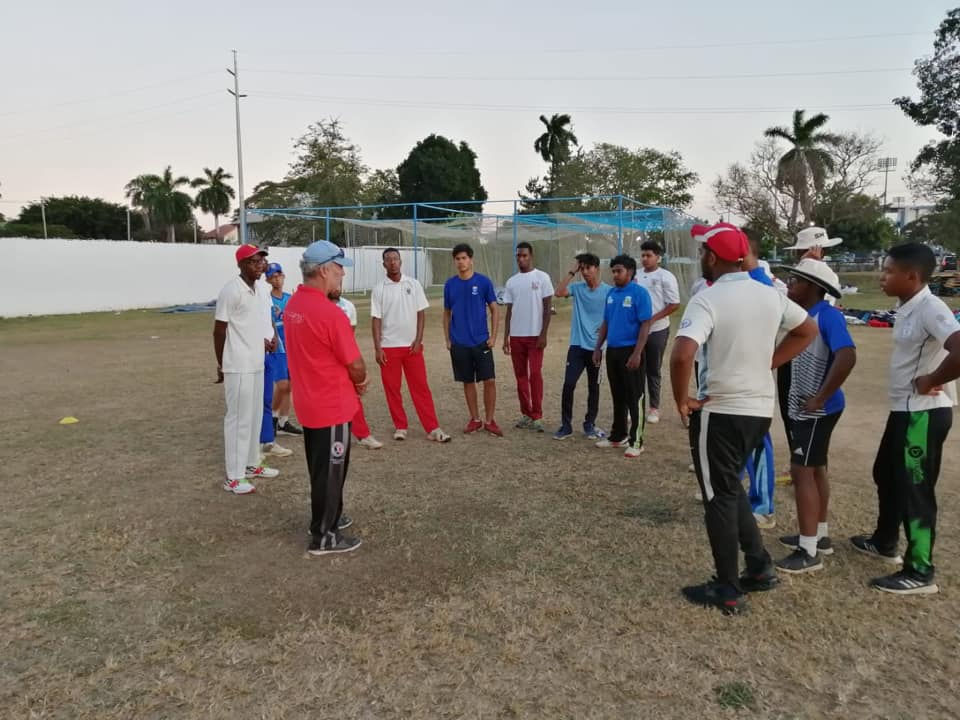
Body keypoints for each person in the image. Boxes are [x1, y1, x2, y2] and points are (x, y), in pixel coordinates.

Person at [670, 222, 816, 614]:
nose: (701, 258)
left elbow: (682, 353)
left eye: (703, 252)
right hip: (758, 411)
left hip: (720, 410)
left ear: (712, 257)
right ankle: (760, 567)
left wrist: (681, 399)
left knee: (718, 497)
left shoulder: (708, 298)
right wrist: (770, 361)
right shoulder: (769, 295)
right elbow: (808, 329)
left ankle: (728, 588)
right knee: (731, 487)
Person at [850, 243, 960, 595]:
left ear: (911, 276)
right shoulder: (908, 306)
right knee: (886, 473)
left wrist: (933, 379)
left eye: (889, 271)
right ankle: (885, 541)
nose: (882, 277)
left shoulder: (931, 307)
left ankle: (920, 571)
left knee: (916, 490)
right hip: (904, 411)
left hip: (923, 416)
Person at [284, 240, 367, 555]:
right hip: (330, 405)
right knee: (331, 469)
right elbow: (355, 364)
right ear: (322, 271)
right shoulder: (330, 314)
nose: (342, 276)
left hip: (310, 403)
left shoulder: (294, 306)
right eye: (338, 270)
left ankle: (329, 516)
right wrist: (359, 380)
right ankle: (324, 535)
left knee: (324, 469)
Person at [775, 260, 856, 574]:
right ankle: (819, 536)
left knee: (802, 472)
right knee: (816, 467)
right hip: (805, 408)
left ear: (812, 287)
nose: (790, 285)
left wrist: (821, 396)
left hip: (818, 410)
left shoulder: (829, 316)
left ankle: (808, 552)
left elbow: (847, 355)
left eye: (795, 281)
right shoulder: (804, 317)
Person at [213, 244, 281, 496]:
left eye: (262, 260)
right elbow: (219, 330)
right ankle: (233, 477)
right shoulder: (232, 290)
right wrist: (222, 363)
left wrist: (272, 336)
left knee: (253, 417)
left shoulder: (260, 289)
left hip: (257, 361)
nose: (260, 265)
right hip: (238, 365)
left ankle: (252, 464)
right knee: (238, 420)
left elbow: (264, 320)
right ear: (241, 264)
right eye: (254, 261)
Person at [371, 248, 451, 443]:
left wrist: (418, 340)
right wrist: (378, 348)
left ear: (401, 261)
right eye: (388, 260)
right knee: (392, 389)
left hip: (412, 347)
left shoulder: (413, 284)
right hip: (389, 347)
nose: (392, 262)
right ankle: (400, 426)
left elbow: (420, 313)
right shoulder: (379, 288)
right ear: (384, 264)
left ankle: (432, 428)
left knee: (420, 387)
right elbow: (376, 319)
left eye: (395, 259)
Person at [592, 254, 652, 458]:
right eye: (613, 271)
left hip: (631, 350)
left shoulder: (640, 294)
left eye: (619, 271)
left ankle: (637, 440)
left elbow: (645, 324)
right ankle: (618, 436)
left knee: (635, 397)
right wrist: (598, 347)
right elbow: (606, 323)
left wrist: (637, 353)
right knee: (618, 395)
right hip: (613, 351)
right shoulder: (611, 294)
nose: (615, 275)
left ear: (630, 272)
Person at [443, 243, 502, 436]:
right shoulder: (450, 285)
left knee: (489, 380)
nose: (461, 262)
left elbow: (494, 309)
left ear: (471, 259)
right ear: (455, 262)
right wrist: (448, 339)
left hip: (481, 342)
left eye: (464, 258)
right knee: (468, 382)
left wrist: (493, 336)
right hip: (459, 343)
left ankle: (490, 420)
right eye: (458, 259)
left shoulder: (483, 282)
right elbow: (446, 313)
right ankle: (475, 419)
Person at [553, 252, 611, 440]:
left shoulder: (608, 291)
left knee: (594, 387)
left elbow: (612, 318)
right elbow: (559, 292)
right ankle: (566, 425)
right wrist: (572, 271)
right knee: (568, 384)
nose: (585, 272)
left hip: (597, 348)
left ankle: (589, 423)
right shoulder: (577, 288)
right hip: (577, 346)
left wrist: (603, 339)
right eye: (582, 268)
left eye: (588, 268)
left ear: (597, 269)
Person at [503, 242, 554, 432]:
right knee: (521, 377)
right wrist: (506, 337)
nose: (521, 259)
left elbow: (548, 308)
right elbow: (509, 311)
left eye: (524, 255)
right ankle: (526, 413)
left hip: (535, 337)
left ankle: (537, 415)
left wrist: (543, 334)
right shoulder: (512, 282)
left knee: (535, 374)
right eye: (518, 256)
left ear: (531, 256)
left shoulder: (542, 278)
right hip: (516, 336)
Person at [329, 284, 383, 450]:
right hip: (322, 362)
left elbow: (349, 337)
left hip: (341, 359)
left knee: (352, 397)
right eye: (333, 284)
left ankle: (363, 435)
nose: (337, 287)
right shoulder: (319, 306)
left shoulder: (348, 306)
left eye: (339, 284)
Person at [634, 240, 680, 424]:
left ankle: (654, 408)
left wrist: (653, 319)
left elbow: (674, 304)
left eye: (649, 255)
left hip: (657, 330)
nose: (645, 259)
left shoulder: (666, 276)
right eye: (643, 255)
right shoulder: (635, 275)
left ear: (658, 258)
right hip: (637, 330)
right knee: (635, 367)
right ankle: (635, 405)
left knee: (653, 369)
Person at [265, 263, 303, 437]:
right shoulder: (266, 300)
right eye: (273, 276)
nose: (277, 278)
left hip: (292, 347)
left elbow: (299, 319)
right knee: (282, 385)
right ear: (267, 280)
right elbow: (267, 323)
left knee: (290, 385)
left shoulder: (291, 298)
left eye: (279, 274)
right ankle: (272, 419)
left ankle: (283, 421)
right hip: (278, 348)